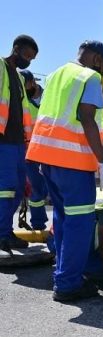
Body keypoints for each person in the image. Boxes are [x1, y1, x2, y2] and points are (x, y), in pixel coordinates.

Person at [26, 40, 103, 301]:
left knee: (63, 220)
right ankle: (67, 285)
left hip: (47, 159)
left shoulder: (56, 75)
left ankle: (65, 275)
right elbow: (87, 118)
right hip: (73, 163)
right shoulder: (88, 77)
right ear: (97, 58)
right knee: (79, 224)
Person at [0, 35, 38, 256]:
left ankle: (5, 231)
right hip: (3, 141)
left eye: (32, 59)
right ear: (16, 49)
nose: (28, 61)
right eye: (26, 55)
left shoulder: (18, 77)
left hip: (17, 143)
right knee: (5, 190)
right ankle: (3, 235)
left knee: (16, 191)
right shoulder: (1, 67)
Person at [19, 69, 48, 230]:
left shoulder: (49, 97)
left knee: (52, 186)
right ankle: (38, 223)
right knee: (36, 188)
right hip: (30, 152)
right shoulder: (22, 101)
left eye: (25, 85)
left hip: (51, 150)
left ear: (32, 83)